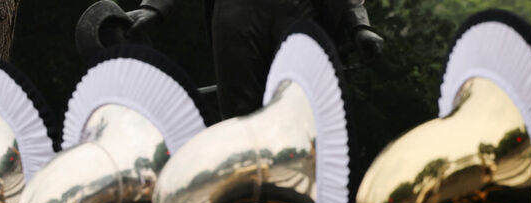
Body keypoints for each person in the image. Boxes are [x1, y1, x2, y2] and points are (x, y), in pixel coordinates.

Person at [126, 0, 382, 118]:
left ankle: (301, 201)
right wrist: (154, 6)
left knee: (301, 112)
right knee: (241, 114)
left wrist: (359, 24)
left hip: (297, 13)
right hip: (236, 13)